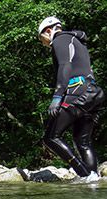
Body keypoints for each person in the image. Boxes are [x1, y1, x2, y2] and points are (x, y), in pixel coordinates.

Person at [38, 16, 105, 177]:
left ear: (48, 31)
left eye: (42, 39)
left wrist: (57, 95)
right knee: (82, 141)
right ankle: (93, 180)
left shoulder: (60, 39)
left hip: (78, 91)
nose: (44, 43)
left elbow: (65, 66)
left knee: (51, 137)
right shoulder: (77, 41)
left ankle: (84, 175)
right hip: (94, 92)